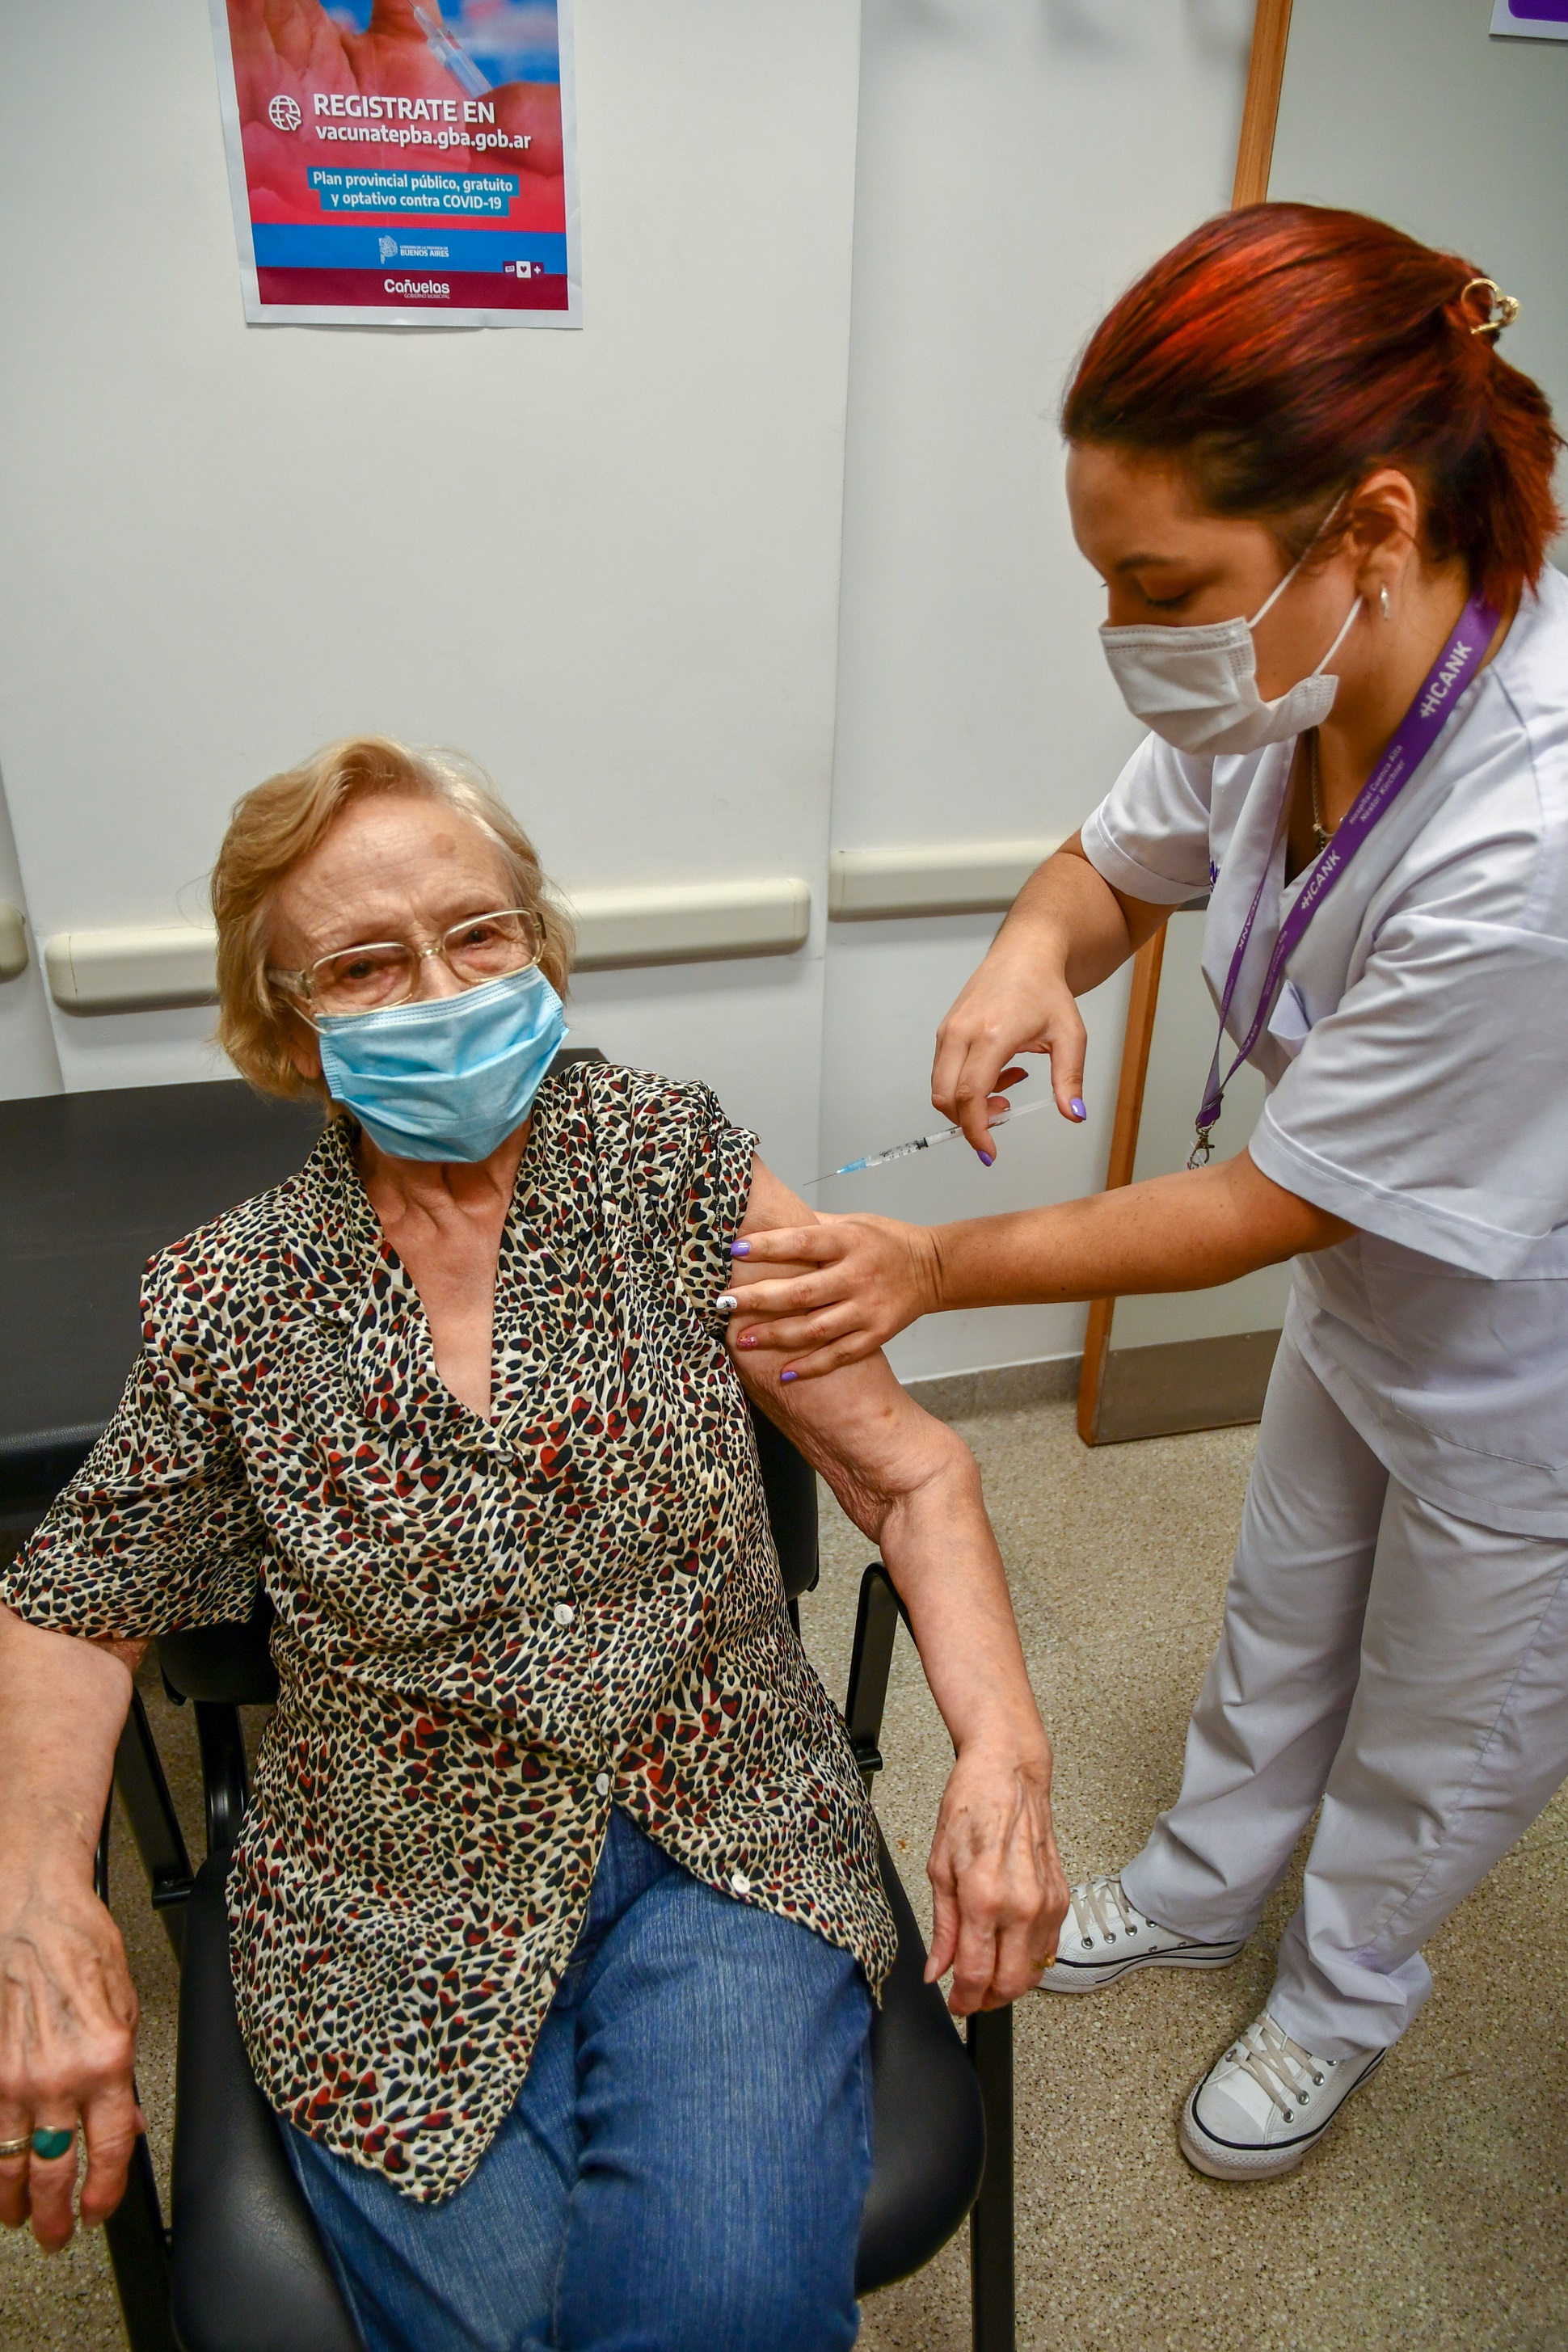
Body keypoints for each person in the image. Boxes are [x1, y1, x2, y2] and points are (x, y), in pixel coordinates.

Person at [0, 736, 1066, 2351]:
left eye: (478, 934)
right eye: (365, 961)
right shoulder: (230, 1299)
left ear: (539, 941)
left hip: (724, 1824)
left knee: (713, 2315)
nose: (440, 985)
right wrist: (38, 1894)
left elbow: (907, 1476)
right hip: (383, 1883)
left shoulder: (675, 1166)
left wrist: (1002, 1750)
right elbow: (78, 1598)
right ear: (283, 1018)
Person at [727, 204, 1568, 2181]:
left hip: (1523, 1346)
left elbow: (1276, 1203)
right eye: (1108, 577)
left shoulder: (1530, 823)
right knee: (1284, 1614)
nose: (1132, 632)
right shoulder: (1283, 671)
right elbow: (1115, 863)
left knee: (1446, 1714)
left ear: (1367, 527)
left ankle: (1343, 1991)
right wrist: (1032, 953)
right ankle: (1201, 1884)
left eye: (1158, 583)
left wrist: (935, 1261)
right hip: (1374, 1293)